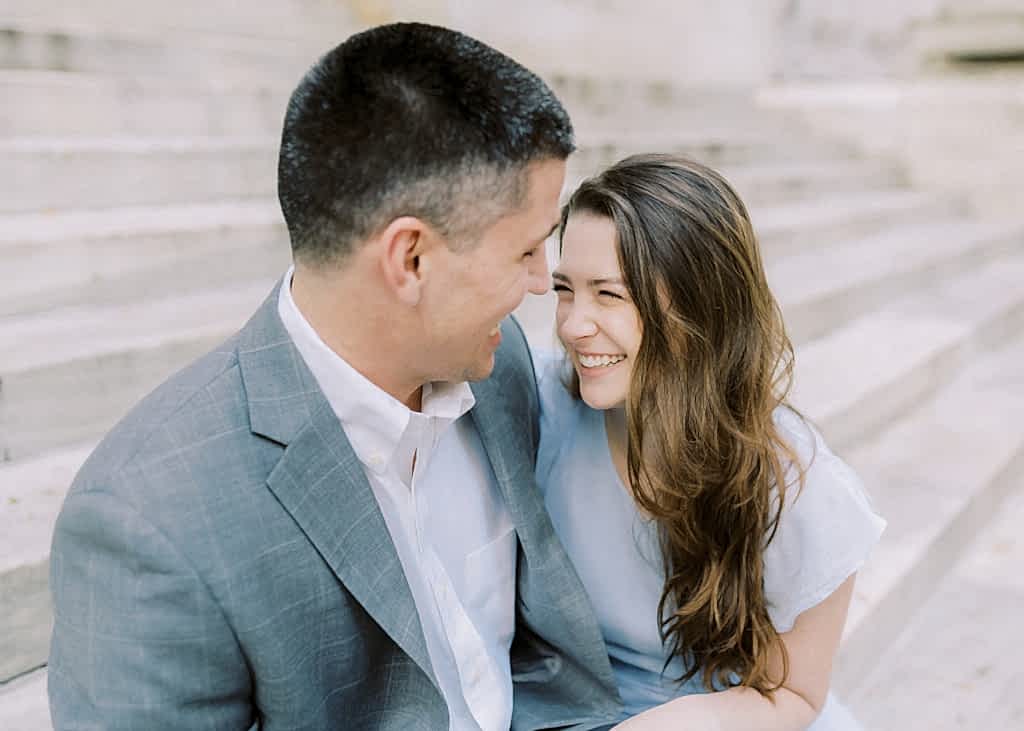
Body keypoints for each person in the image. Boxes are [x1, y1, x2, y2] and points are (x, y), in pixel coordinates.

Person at [48, 23, 623, 730]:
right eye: (527, 251)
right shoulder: (150, 523)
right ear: (410, 259)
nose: (542, 283)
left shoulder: (497, 367)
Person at [535, 154, 886, 730]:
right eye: (564, 290)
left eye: (609, 295)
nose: (574, 324)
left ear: (697, 306)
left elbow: (794, 695)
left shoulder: (798, 487)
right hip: (570, 708)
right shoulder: (545, 404)